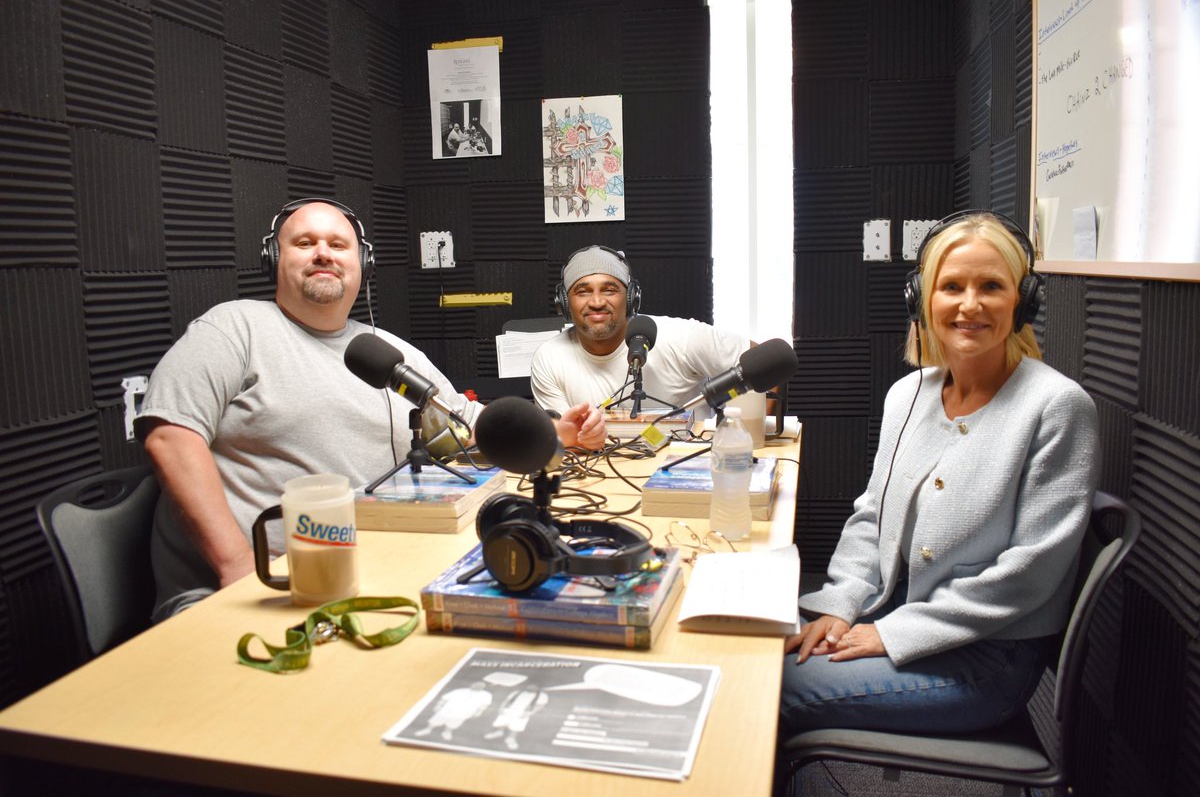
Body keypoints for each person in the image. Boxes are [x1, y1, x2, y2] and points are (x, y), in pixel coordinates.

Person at [137, 199, 604, 622]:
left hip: (370, 573)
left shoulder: (385, 351)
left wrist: (555, 432)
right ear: (275, 259)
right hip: (262, 589)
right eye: (305, 243)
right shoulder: (233, 329)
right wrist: (238, 568)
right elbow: (170, 435)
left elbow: (462, 419)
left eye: (338, 244)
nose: (323, 253)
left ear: (363, 263)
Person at [779, 211, 1099, 737]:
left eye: (991, 286)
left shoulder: (1057, 406)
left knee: (772, 691)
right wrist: (839, 604)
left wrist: (891, 633)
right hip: (901, 618)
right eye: (952, 286)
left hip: (987, 661)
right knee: (748, 654)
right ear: (923, 300)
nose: (969, 304)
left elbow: (1033, 571)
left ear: (1021, 301)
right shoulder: (908, 395)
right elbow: (873, 515)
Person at [530, 245, 750, 419]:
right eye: (583, 292)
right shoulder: (549, 357)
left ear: (631, 299)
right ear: (565, 304)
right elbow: (560, 438)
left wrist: (750, 433)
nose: (596, 302)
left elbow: (768, 362)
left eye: (609, 290)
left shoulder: (684, 338)